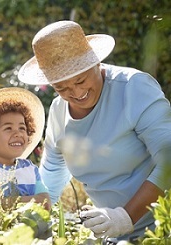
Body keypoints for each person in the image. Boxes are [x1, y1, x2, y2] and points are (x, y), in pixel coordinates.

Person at [17, 20, 171, 242]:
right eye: (62, 87)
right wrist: (35, 220)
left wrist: (124, 217)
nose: (76, 92)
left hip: (162, 228)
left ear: (96, 62)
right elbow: (52, 170)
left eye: (81, 80)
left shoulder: (134, 89)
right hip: (113, 235)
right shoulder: (59, 111)